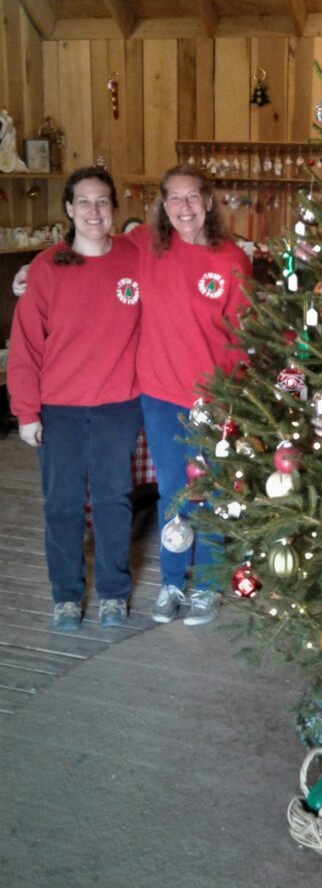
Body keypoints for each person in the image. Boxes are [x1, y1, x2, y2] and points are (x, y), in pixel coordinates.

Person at [7, 167, 142, 631]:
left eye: (103, 201)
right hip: (58, 408)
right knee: (61, 505)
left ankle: (112, 592)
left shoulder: (135, 256)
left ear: (114, 209)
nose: (93, 211)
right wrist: (26, 411)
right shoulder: (47, 268)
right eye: (83, 202)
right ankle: (66, 595)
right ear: (68, 209)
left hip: (118, 405)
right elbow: (24, 345)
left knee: (113, 501)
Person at [125, 165, 252, 626]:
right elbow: (91, 250)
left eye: (192, 197)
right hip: (159, 392)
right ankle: (173, 583)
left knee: (213, 491)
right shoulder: (145, 245)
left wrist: (231, 397)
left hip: (214, 397)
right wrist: (37, 270)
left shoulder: (232, 259)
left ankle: (212, 585)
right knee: (174, 493)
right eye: (174, 198)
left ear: (209, 201)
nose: (183, 207)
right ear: (163, 205)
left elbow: (241, 334)